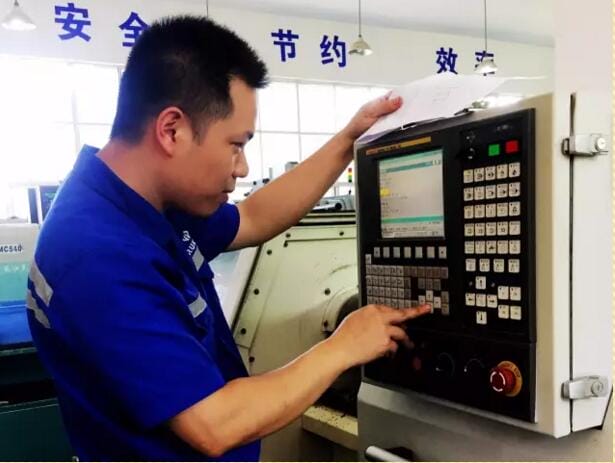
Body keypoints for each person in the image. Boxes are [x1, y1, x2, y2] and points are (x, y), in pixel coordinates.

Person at [26, 15, 431, 461]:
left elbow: (253, 217)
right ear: (172, 129)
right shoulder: (98, 254)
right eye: (236, 145)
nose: (242, 167)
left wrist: (349, 139)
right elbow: (215, 424)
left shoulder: (139, 203)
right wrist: (343, 347)